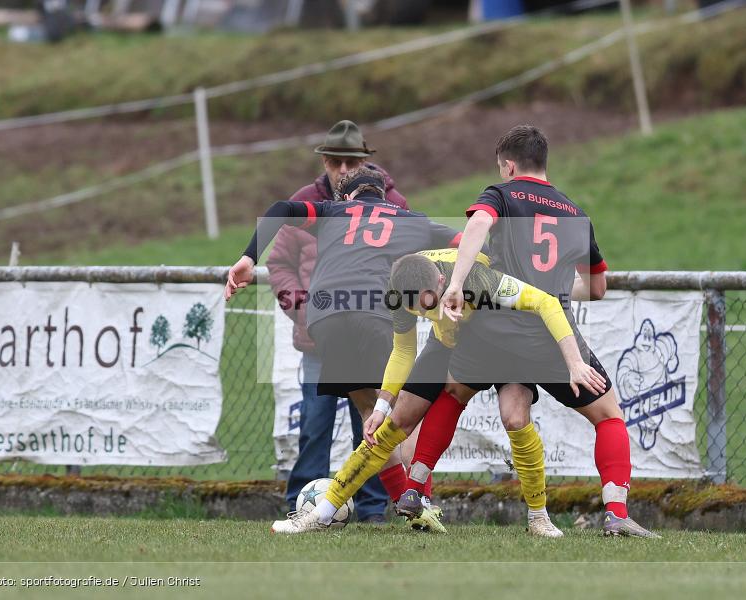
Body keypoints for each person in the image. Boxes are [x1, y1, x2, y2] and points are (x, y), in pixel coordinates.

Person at [270, 248, 606, 536]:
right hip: (449, 339)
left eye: (426, 304)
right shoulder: (397, 290)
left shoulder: (478, 279)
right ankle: (321, 514)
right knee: (392, 424)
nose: (419, 312)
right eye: (414, 307)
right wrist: (382, 405)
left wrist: (574, 362)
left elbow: (547, 303)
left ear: (442, 283)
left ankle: (539, 517)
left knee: (515, 418)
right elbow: (403, 352)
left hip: (501, 335)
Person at [433, 125, 658, 538]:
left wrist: (456, 282)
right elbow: (597, 287)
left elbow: (479, 225)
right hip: (552, 337)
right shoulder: (574, 212)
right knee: (608, 417)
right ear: (544, 164)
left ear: (509, 164)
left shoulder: (499, 195)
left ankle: (415, 489)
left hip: (495, 332)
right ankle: (616, 513)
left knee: (452, 395)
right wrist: (554, 290)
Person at [226, 167, 458, 515]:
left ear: (346, 197)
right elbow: (462, 241)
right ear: (383, 195)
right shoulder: (411, 220)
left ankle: (405, 505)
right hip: (377, 313)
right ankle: (419, 502)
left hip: (326, 318)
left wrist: (248, 257)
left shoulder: (332, 211)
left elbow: (279, 208)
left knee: (370, 411)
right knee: (406, 417)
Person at [267, 120, 404, 522]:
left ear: (365, 162)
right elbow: (279, 264)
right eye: (335, 162)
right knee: (314, 425)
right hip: (317, 339)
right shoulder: (307, 202)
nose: (343, 171)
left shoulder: (394, 204)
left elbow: (408, 264)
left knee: (374, 424)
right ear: (324, 163)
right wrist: (304, 310)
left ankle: (373, 508)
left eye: (351, 162)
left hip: (372, 334)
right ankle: (301, 504)